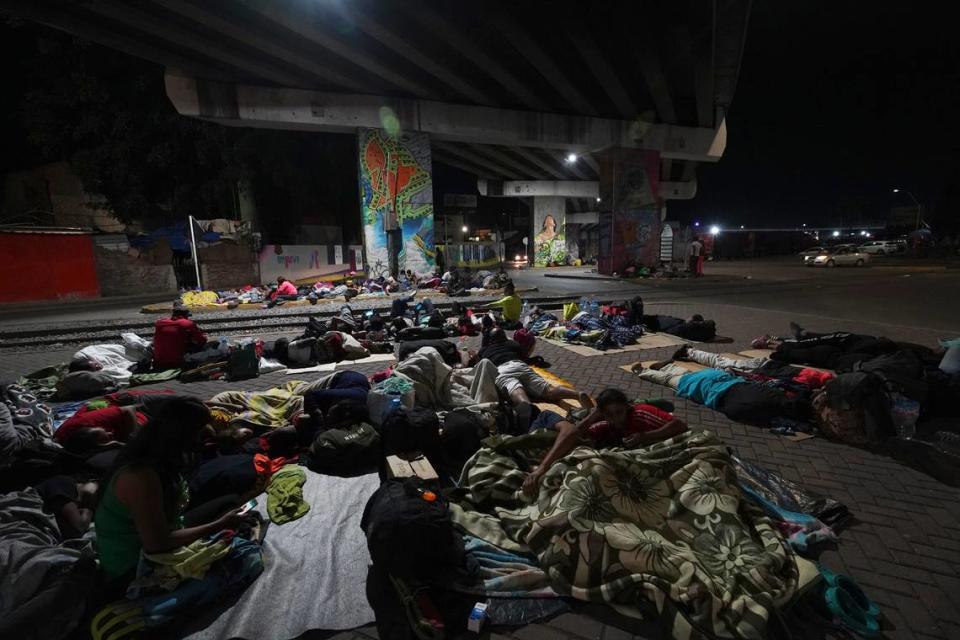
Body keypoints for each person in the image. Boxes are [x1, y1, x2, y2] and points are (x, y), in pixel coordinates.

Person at [94, 397, 247, 584]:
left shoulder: (160, 456)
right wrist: (218, 525)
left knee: (229, 501)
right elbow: (157, 544)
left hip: (167, 529)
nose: (205, 435)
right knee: (236, 556)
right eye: (200, 432)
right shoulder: (142, 476)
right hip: (134, 566)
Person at [522, 389, 687, 496]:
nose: (616, 419)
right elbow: (576, 434)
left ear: (626, 408)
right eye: (610, 415)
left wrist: (646, 436)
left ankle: (651, 402)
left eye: (619, 412)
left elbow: (680, 425)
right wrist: (592, 417)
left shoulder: (640, 414)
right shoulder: (607, 425)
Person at [628, 348, 812, 426]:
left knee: (684, 374)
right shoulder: (765, 411)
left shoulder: (772, 393)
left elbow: (750, 384)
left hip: (722, 379)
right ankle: (642, 371)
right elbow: (733, 411)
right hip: (706, 390)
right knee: (670, 379)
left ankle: (666, 366)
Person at [475, 328, 592, 426]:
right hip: (520, 365)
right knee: (548, 390)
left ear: (491, 339)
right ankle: (577, 394)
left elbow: (479, 364)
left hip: (502, 370)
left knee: (517, 392)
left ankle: (529, 408)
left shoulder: (485, 350)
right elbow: (524, 357)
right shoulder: (513, 344)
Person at [54, 404, 147, 453]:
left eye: (106, 432)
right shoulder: (75, 445)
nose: (110, 433)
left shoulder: (90, 421)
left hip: (135, 408)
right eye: (107, 438)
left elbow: (129, 408)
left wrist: (130, 436)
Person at [34, 475, 99, 539]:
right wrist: (89, 509)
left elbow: (77, 532)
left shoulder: (80, 508)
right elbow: (81, 526)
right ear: (91, 481)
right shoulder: (65, 483)